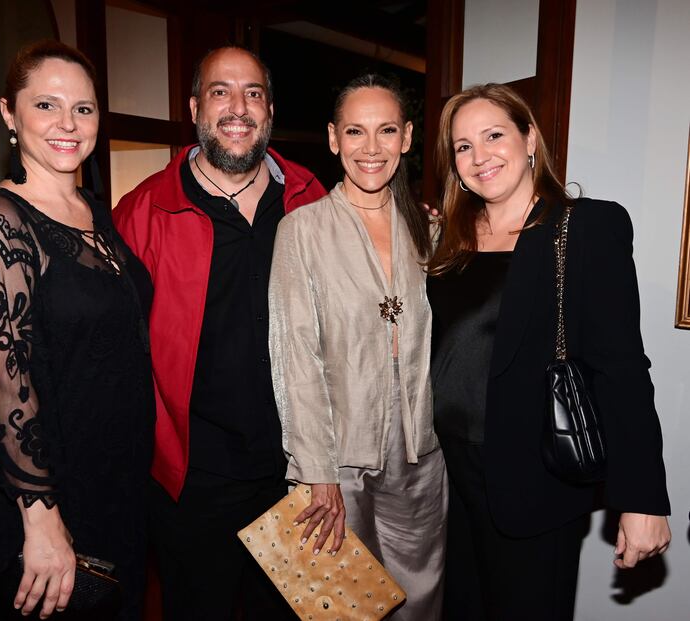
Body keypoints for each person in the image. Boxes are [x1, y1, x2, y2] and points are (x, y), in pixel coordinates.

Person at [426, 82, 671, 621]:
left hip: (533, 481)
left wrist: (644, 497)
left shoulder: (585, 228)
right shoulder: (449, 239)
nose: (479, 156)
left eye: (494, 135)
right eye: (463, 146)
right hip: (454, 482)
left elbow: (623, 367)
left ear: (530, 137)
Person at [0, 40, 155, 620]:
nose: (68, 124)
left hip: (117, 483)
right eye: (46, 105)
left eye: (82, 109)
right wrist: (42, 520)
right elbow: (4, 389)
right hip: (52, 500)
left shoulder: (93, 212)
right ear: (10, 114)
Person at [113, 46, 326, 619]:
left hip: (295, 475)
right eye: (220, 91)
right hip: (194, 482)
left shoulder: (312, 200)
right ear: (194, 107)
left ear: (271, 110)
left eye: (253, 93)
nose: (238, 107)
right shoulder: (142, 214)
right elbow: (113, 360)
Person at [268, 74, 448, 620]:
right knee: (342, 604)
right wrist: (315, 470)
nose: (371, 148)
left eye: (386, 130)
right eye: (355, 131)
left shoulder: (433, 229)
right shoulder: (302, 230)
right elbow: (295, 355)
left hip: (423, 449)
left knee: (423, 597)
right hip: (339, 452)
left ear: (408, 137)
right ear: (332, 138)